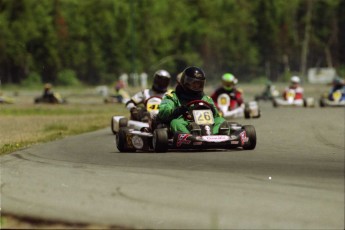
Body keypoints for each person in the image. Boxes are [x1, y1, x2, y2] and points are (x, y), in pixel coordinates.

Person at [157, 66, 228, 134]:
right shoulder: (173, 97)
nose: (197, 86)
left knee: (221, 121)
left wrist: (213, 111)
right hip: (185, 123)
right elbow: (163, 113)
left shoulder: (206, 98)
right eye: (194, 84)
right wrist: (177, 111)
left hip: (207, 125)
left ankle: (214, 137)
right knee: (175, 123)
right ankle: (190, 136)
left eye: (199, 84)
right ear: (185, 82)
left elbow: (217, 117)